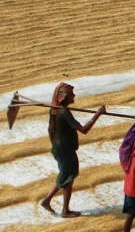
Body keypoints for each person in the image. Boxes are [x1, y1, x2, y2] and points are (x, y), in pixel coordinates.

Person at [41, 82, 106, 217]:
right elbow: (84, 130)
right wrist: (98, 114)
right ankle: (57, 206)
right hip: (65, 150)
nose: (74, 96)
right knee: (66, 177)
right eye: (71, 94)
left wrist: (55, 145)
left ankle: (53, 203)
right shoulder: (64, 112)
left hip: (60, 148)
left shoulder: (55, 109)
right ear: (64, 97)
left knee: (67, 177)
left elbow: (50, 130)